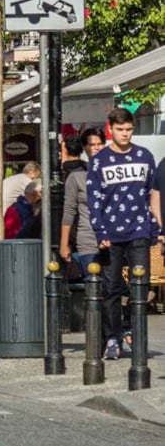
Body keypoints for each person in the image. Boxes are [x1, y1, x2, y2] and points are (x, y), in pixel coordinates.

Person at [87, 109, 162, 361]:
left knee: (142, 284)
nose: (125, 134)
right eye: (120, 130)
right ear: (111, 130)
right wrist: (100, 231)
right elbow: (93, 199)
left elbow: (153, 192)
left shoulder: (144, 156)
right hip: (110, 232)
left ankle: (132, 328)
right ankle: (112, 336)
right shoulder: (99, 161)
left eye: (129, 129)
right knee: (110, 288)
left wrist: (155, 227)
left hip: (139, 228)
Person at [60, 130, 104, 275]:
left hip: (112, 238)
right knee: (94, 283)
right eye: (91, 145)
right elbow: (69, 211)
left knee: (112, 286)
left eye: (99, 144)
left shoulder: (110, 171)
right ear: (84, 148)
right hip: (88, 238)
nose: (95, 148)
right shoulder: (77, 176)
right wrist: (64, 244)